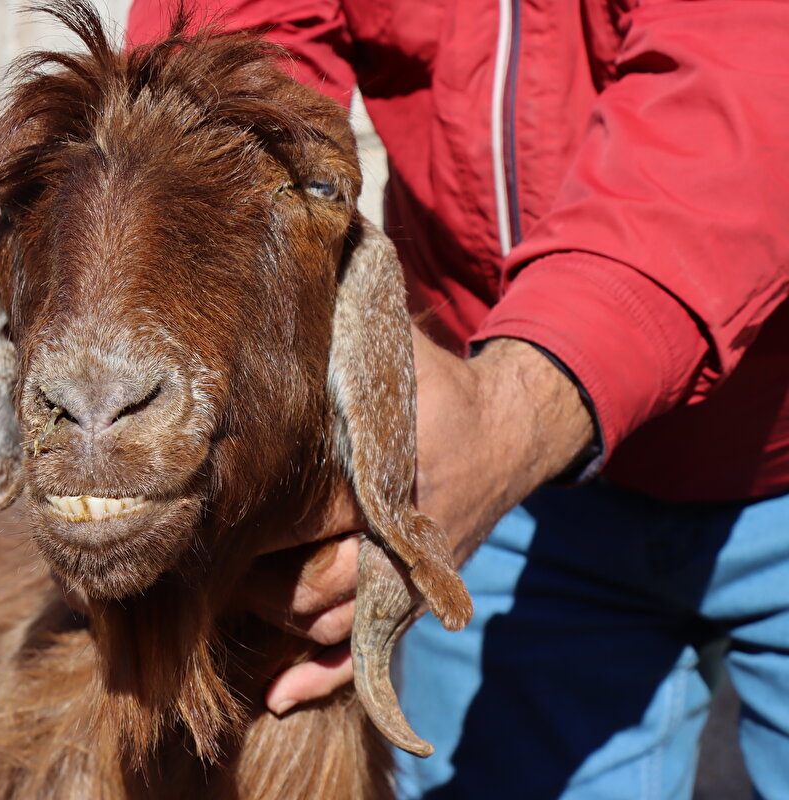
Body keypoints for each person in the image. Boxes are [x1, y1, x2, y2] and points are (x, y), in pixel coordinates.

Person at [127, 2, 789, 798]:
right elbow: (238, 54)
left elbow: (747, 85)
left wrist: (509, 420)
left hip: (679, 450)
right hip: (514, 500)